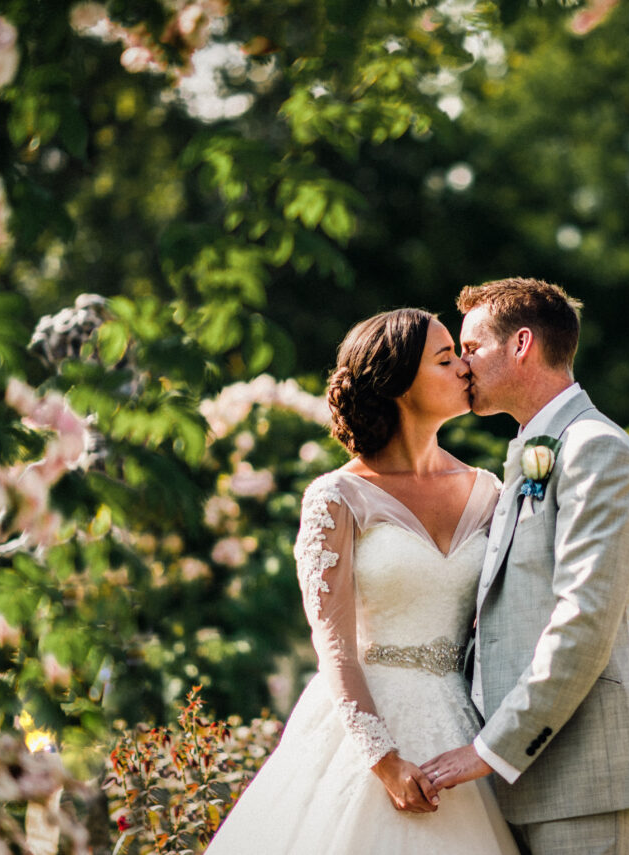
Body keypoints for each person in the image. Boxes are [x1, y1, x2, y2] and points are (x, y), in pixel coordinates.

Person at [205, 308, 520, 854]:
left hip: (463, 730)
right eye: (446, 359)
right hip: (367, 728)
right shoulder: (337, 497)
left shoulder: (490, 490)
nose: (466, 368)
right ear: (398, 384)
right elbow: (334, 647)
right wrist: (383, 761)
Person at [421, 278, 629, 855]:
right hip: (506, 786)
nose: (462, 366)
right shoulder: (532, 448)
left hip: (579, 780)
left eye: (471, 348)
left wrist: (487, 749)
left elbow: (584, 620)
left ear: (520, 343)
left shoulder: (595, 448)